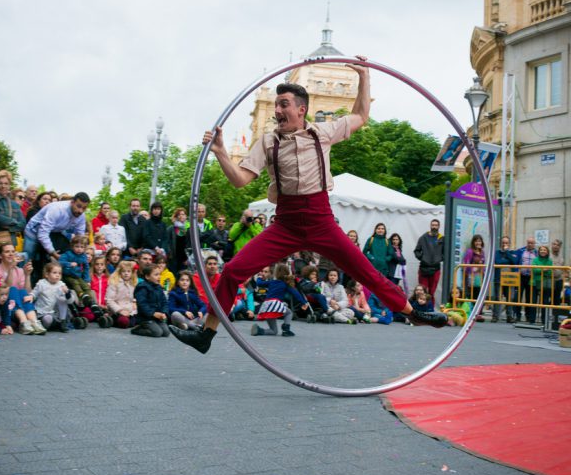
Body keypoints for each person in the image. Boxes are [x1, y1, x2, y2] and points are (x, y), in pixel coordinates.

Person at [171, 59, 446, 354]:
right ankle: (206, 334)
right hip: (285, 225)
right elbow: (240, 180)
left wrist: (364, 76)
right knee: (233, 270)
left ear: (301, 109)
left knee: (367, 272)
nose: (277, 111)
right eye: (276, 105)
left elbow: (361, 115)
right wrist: (221, 152)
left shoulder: (322, 133)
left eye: (284, 104)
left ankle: (412, 313)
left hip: (321, 221)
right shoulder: (267, 142)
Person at [0, 243, 46, 335]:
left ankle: (34, 322)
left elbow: (27, 292)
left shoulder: (20, 270)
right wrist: (10, 268)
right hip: (3, 307)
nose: (11, 254)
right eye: (7, 252)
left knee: (22, 292)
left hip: (18, 307)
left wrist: (27, 275)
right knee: (13, 289)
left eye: (13, 252)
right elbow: (5, 289)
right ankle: (23, 322)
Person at [23, 192, 90, 264]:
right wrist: (53, 253)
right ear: (72, 202)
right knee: (28, 258)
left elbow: (80, 237)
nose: (81, 211)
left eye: (84, 208)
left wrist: (82, 253)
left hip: (53, 232)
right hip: (33, 231)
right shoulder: (57, 209)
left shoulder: (81, 216)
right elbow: (43, 233)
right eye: (79, 206)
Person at [250, 263, 303, 337]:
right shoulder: (285, 284)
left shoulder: (271, 282)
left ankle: (259, 330)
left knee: (274, 331)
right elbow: (295, 293)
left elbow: (259, 283)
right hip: (275, 304)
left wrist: (260, 277)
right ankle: (286, 330)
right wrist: (304, 302)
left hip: (266, 306)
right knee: (289, 313)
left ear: (276, 273)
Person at [31, 262, 73, 332]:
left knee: (63, 300)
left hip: (56, 313)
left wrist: (67, 293)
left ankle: (62, 322)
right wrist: (31, 296)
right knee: (48, 319)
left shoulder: (61, 284)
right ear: (47, 274)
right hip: (43, 312)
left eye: (59, 273)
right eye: (54, 273)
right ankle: (47, 325)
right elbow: (34, 293)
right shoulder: (42, 283)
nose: (57, 275)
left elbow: (69, 301)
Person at [131, 264, 170, 338]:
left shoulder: (159, 287)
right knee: (157, 332)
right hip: (145, 318)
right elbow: (142, 304)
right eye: (156, 275)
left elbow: (164, 302)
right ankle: (138, 329)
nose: (159, 277)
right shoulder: (142, 287)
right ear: (147, 276)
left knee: (166, 332)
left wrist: (164, 312)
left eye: (160, 274)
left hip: (158, 317)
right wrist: (152, 313)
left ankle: (153, 324)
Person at [58, 235, 93, 308]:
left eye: (82, 247)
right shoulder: (68, 254)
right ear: (72, 246)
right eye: (77, 246)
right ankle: (82, 296)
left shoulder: (83, 256)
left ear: (84, 248)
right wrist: (69, 264)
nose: (79, 249)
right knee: (75, 283)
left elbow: (86, 269)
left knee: (86, 286)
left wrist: (87, 280)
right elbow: (60, 262)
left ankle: (91, 301)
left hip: (78, 276)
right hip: (68, 276)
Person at [414, 219, 444, 298]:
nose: (434, 227)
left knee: (431, 292)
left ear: (439, 226)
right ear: (430, 226)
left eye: (436, 225)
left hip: (435, 269)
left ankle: (430, 309)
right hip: (424, 268)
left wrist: (439, 258)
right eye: (433, 225)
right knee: (423, 291)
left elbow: (445, 253)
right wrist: (423, 258)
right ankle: (422, 308)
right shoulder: (423, 237)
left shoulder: (442, 238)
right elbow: (417, 251)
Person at [493, 235, 520, 323]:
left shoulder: (512, 252)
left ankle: (509, 316)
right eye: (503, 243)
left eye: (506, 243)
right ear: (501, 244)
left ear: (509, 244)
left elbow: (514, 262)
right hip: (498, 278)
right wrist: (507, 260)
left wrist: (507, 253)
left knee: (509, 298)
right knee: (497, 298)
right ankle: (495, 316)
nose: (504, 244)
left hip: (509, 279)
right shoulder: (497, 252)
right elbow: (497, 261)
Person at [105, 260, 137, 329]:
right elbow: (109, 300)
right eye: (124, 271)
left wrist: (134, 302)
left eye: (128, 271)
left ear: (132, 273)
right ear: (119, 272)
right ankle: (109, 318)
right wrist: (120, 310)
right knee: (124, 322)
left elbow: (135, 296)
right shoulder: (114, 283)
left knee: (138, 321)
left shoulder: (133, 283)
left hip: (130, 310)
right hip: (117, 310)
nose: (126, 274)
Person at [530, 245, 553, 325]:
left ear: (547, 252)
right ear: (539, 251)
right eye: (541, 250)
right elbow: (534, 270)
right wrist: (544, 269)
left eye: (544, 250)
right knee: (533, 302)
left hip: (545, 284)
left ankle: (544, 321)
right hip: (534, 283)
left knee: (545, 302)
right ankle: (532, 320)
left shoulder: (549, 261)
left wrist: (540, 269)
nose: (543, 251)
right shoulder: (535, 260)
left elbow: (550, 272)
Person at [517, 236, 538, 316]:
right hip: (521, 276)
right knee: (518, 296)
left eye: (531, 243)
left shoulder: (537, 253)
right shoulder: (521, 251)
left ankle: (528, 316)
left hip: (531, 277)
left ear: (534, 244)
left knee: (529, 297)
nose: (530, 244)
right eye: (528, 243)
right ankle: (517, 315)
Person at [166, 207, 189, 275]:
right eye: (179, 214)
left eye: (183, 214)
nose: (181, 216)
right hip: (174, 258)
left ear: (186, 216)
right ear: (176, 216)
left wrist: (188, 258)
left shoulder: (188, 228)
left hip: (185, 258)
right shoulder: (171, 228)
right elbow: (167, 242)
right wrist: (169, 253)